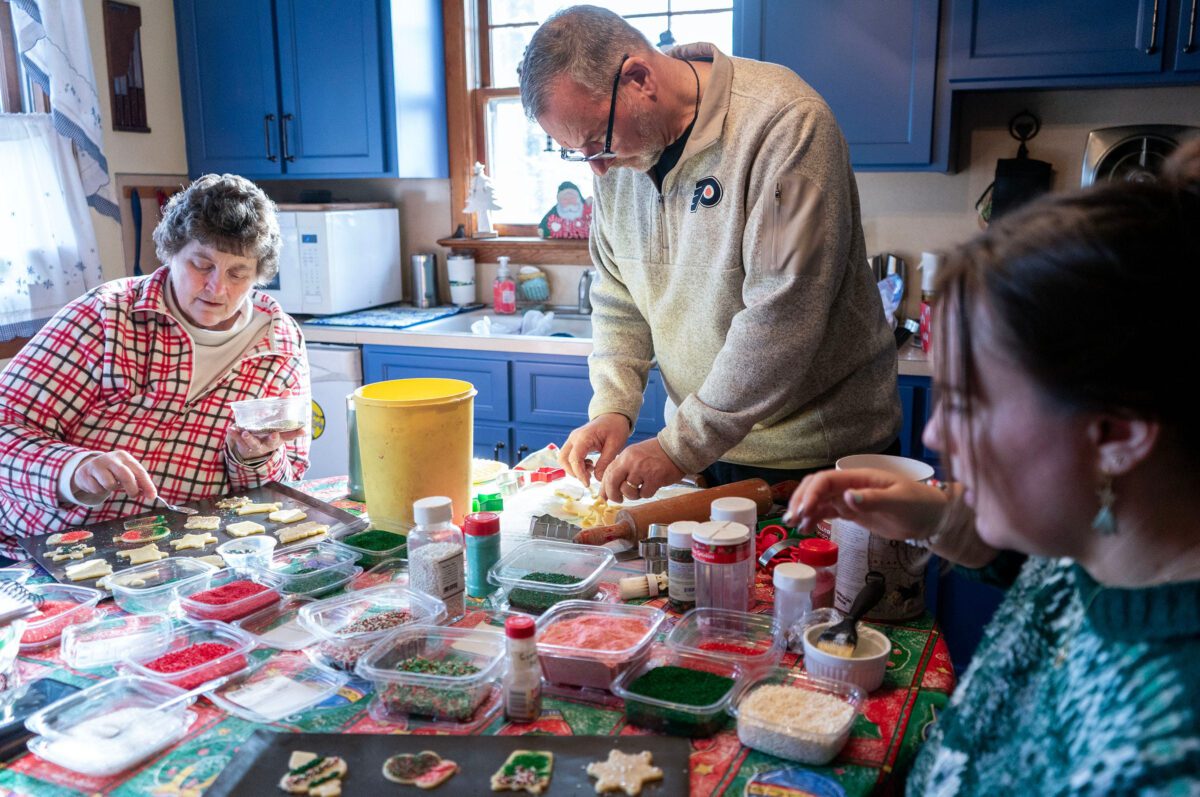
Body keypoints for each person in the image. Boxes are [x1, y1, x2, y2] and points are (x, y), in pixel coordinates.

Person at [785, 140, 1200, 792]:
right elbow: (1038, 571)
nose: (933, 430)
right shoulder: (1099, 547)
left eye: (967, 403)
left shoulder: (1167, 754)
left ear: (1116, 432)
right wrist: (935, 514)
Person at [519, 6, 899, 503]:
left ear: (638, 79)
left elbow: (782, 315)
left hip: (817, 456)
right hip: (703, 448)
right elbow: (619, 295)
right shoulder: (619, 164)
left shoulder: (787, 127)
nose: (599, 170)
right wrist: (613, 406)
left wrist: (679, 445)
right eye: (577, 153)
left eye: (597, 142)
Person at [0, 174, 309, 560]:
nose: (217, 288)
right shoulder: (106, 316)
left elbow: (286, 480)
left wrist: (253, 458)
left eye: (237, 273)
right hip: (55, 550)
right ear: (171, 252)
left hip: (187, 558)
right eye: (202, 265)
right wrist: (73, 469)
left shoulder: (278, 343)